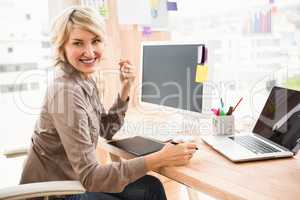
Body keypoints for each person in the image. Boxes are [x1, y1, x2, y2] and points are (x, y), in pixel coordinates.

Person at [20, 6, 197, 200]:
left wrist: (126, 87)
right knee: (147, 189)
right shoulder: (66, 93)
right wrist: (159, 158)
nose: (89, 52)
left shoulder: (84, 79)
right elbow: (91, 177)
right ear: (62, 47)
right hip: (56, 194)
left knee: (149, 187)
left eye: (95, 41)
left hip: (75, 182)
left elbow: (105, 130)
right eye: (78, 43)